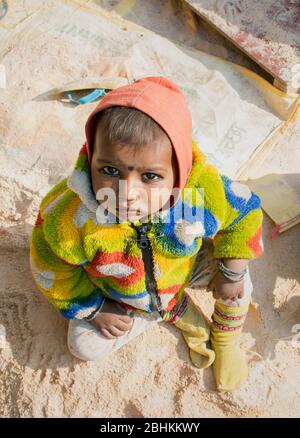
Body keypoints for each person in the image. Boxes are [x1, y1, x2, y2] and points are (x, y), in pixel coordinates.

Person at [30, 76, 263, 391]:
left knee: (240, 282)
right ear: (90, 157)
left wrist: (229, 271)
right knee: (84, 346)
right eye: (110, 171)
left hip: (184, 267)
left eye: (150, 176)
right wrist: (94, 307)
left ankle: (224, 337)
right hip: (119, 290)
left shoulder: (199, 192)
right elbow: (49, 264)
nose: (127, 193)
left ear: (179, 169)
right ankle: (168, 310)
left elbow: (246, 210)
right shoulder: (70, 215)